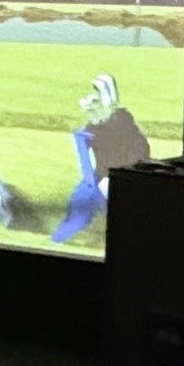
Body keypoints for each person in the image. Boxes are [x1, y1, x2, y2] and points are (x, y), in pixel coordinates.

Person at [52, 72, 151, 243]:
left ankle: (72, 235)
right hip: (98, 179)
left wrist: (118, 176)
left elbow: (140, 154)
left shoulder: (123, 124)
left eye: (98, 96)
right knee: (79, 200)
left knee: (87, 202)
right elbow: (88, 141)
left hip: (117, 180)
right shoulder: (97, 124)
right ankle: (67, 234)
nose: (93, 100)